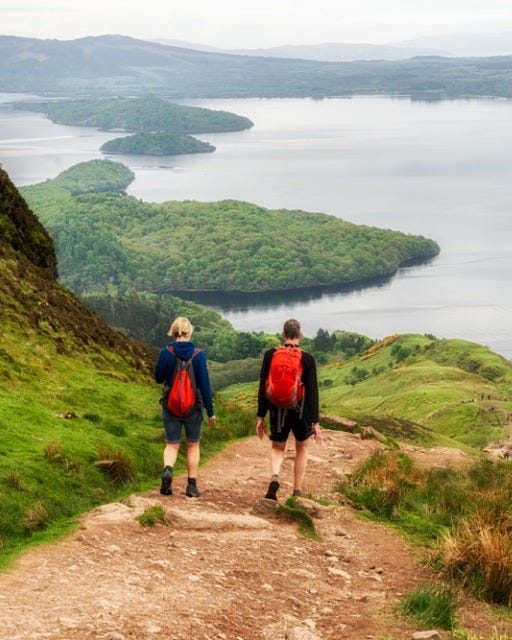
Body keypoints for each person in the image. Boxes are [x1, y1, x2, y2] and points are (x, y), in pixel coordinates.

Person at [256, 318, 322, 500]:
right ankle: (297, 491)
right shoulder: (307, 359)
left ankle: (275, 475)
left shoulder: (270, 354)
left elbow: (263, 385)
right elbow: (312, 391)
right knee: (302, 447)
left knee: (278, 447)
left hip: (277, 408)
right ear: (300, 335)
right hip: (301, 410)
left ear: (283, 334)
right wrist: (315, 421)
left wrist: (261, 415)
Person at [154, 316, 216, 497]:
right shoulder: (198, 355)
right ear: (189, 332)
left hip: (170, 405)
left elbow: (158, 377)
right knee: (192, 445)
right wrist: (210, 412)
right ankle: (191, 486)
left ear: (174, 332)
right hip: (193, 408)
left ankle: (168, 470)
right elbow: (205, 385)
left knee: (172, 445)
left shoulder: (166, 352)